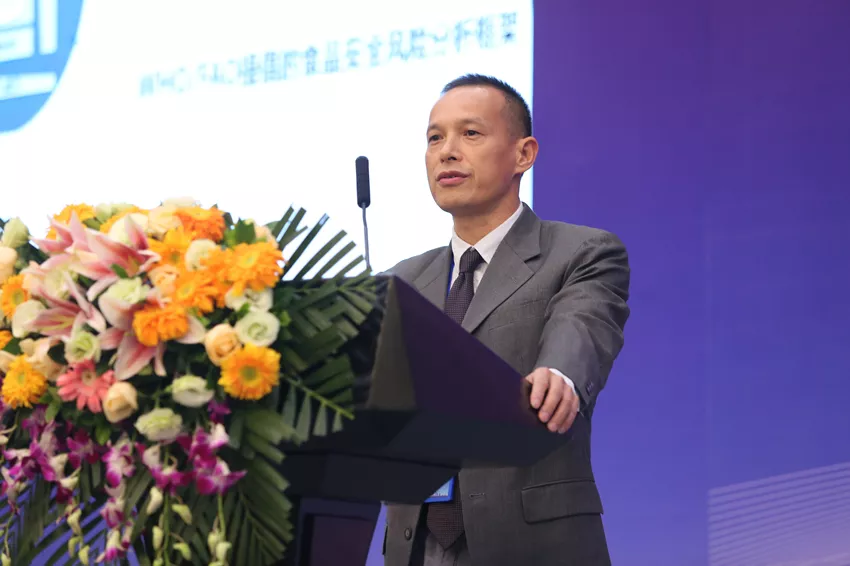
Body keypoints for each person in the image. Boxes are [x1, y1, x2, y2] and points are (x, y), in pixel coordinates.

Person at [382, 74, 631, 566]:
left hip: (532, 545)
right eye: (435, 138)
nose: (447, 152)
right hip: (416, 546)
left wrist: (560, 375)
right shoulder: (400, 281)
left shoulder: (580, 252)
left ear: (524, 154)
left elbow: (582, 326)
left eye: (470, 133)